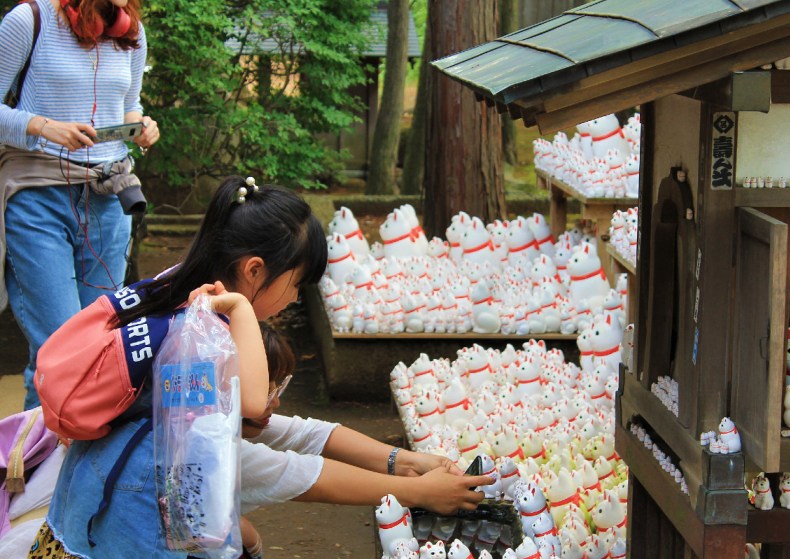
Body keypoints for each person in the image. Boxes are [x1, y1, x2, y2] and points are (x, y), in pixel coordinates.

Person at [27, 177, 487, 559]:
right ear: (253, 270)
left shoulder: (184, 289)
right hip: (118, 533)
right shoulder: (202, 337)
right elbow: (273, 448)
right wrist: (417, 492)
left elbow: (283, 428)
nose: (292, 298)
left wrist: (401, 461)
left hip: (89, 508)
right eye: (295, 283)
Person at [0, 0, 160, 410]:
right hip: (38, 197)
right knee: (61, 349)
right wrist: (42, 126)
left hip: (109, 198)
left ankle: (72, 465)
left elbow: (129, 104)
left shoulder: (130, 31)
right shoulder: (29, 20)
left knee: (100, 345)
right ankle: (36, 469)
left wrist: (139, 124)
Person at [234, 324, 490, 559]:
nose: (276, 402)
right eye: (265, 391)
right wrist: (420, 491)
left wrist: (406, 460)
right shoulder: (217, 450)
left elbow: (310, 434)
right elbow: (304, 476)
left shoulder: (227, 417)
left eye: (277, 388)